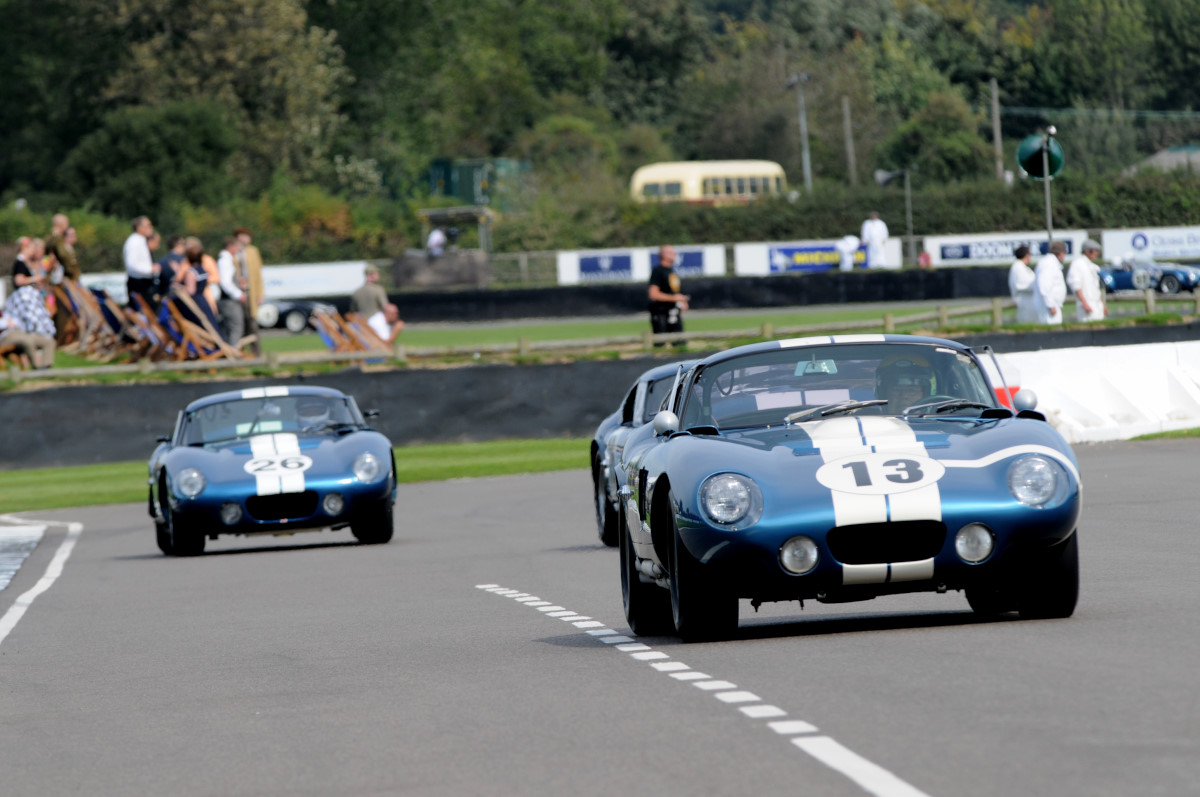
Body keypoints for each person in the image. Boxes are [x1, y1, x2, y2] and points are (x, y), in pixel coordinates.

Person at [648, 244, 688, 345]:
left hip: (674, 313)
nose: (675, 255)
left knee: (680, 343)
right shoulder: (658, 271)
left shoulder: (671, 271)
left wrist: (681, 301)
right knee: (660, 344)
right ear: (664, 255)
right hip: (661, 314)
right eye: (672, 253)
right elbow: (653, 294)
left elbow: (674, 291)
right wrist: (674, 298)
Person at [233, 227, 264, 356]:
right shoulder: (233, 250)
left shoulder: (252, 251)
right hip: (236, 293)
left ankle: (256, 353)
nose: (248, 239)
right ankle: (241, 352)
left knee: (252, 323)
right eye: (246, 236)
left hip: (250, 292)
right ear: (239, 236)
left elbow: (258, 274)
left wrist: (260, 293)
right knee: (239, 324)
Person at [0, 300, 56, 368]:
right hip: (6, 335)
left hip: (22, 332)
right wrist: (6, 323)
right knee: (28, 341)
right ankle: (37, 367)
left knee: (48, 341)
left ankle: (46, 367)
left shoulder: (10, 309)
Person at [215, 235, 249, 345]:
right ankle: (232, 353)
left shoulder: (227, 259)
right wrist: (239, 294)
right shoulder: (225, 261)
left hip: (228, 301)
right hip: (229, 301)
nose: (238, 249)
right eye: (236, 246)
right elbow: (225, 283)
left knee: (229, 329)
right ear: (230, 246)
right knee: (236, 328)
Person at [1066, 239, 1106, 323]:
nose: (1097, 253)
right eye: (1095, 251)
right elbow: (1076, 285)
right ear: (1088, 251)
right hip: (1087, 304)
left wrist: (1102, 305)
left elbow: (1096, 289)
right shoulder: (1078, 264)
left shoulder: (1093, 266)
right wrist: (1084, 303)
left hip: (1096, 305)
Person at [123, 216, 158, 309]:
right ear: (139, 227)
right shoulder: (134, 242)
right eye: (148, 225)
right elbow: (131, 264)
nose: (151, 228)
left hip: (142, 281)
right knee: (144, 311)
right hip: (138, 283)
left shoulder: (140, 240)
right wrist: (150, 269)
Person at [1033, 240, 1068, 325]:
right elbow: (1044, 285)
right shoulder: (1049, 263)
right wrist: (1050, 305)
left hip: (1050, 304)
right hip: (1048, 306)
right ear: (1061, 253)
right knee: (1052, 331)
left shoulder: (1050, 262)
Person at [45, 213, 79, 281]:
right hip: (57, 277)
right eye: (66, 223)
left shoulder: (57, 237)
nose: (67, 226)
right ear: (61, 224)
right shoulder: (54, 238)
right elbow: (62, 255)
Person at [1008, 245, 1037, 323]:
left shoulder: (1024, 268)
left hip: (1029, 303)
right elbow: (1022, 285)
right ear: (1027, 256)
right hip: (1024, 303)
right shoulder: (1018, 267)